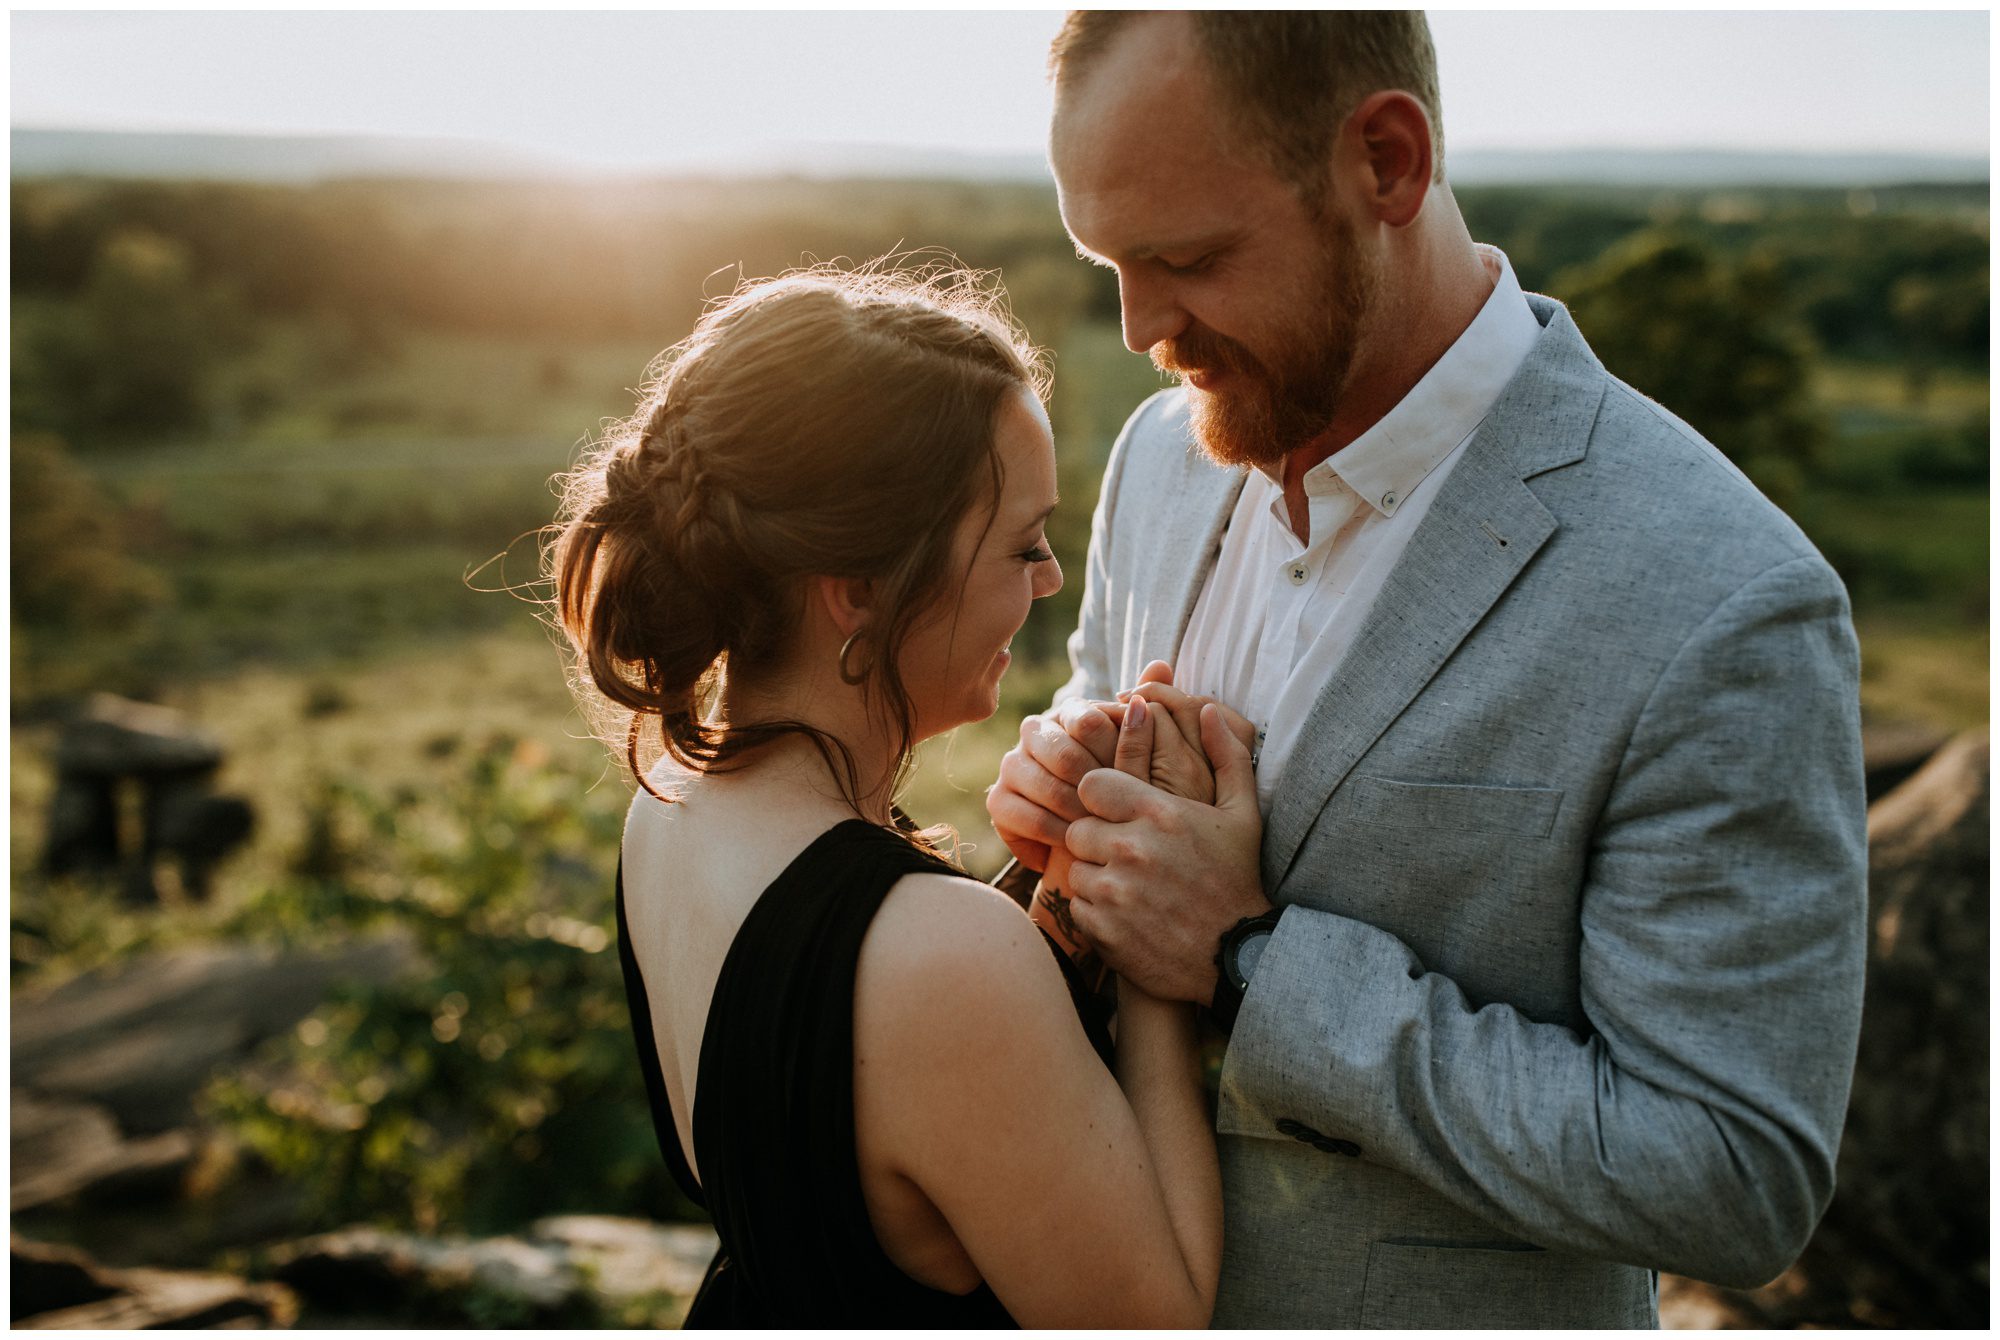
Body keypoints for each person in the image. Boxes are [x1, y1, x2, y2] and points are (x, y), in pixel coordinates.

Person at [985, 11, 1869, 1329]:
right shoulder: (1160, 462)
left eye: (1186, 257)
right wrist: (1065, 794)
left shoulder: (1723, 599)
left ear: (1387, 163)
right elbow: (1092, 747)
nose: (1139, 326)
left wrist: (1247, 959)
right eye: (1108, 260)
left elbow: (1731, 1174)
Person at [548, 265, 1230, 1327]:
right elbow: (1161, 1321)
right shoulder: (939, 953)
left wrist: (1051, 902)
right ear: (858, 587)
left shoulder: (667, 808)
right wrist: (1153, 953)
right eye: (1020, 542)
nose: (1047, 578)